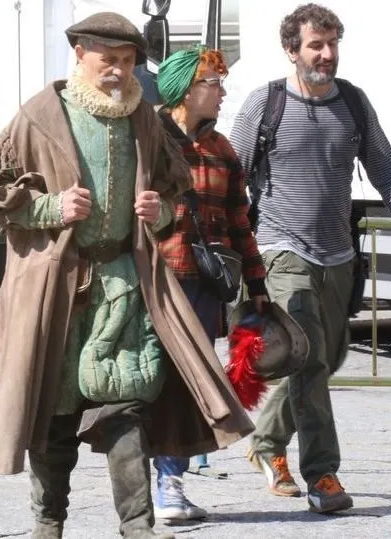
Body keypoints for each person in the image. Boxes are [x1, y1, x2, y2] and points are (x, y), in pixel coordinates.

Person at [0, 12, 254, 539]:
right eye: (109, 60)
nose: (119, 71)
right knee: (55, 416)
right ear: (79, 55)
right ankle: (47, 524)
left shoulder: (144, 119)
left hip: (124, 281)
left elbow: (174, 191)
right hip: (56, 289)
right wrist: (50, 208)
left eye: (127, 62)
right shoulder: (38, 115)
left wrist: (159, 211)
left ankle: (137, 527)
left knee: (126, 405)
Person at [229, 3, 391, 513]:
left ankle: (266, 444)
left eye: (332, 44)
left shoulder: (354, 104)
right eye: (316, 46)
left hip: (338, 257)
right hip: (282, 250)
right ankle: (323, 475)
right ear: (291, 51)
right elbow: (232, 178)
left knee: (320, 361)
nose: (327, 55)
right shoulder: (266, 103)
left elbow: (388, 172)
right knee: (309, 359)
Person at [151, 46, 267, 523]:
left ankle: (168, 482)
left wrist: (257, 283)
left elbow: (241, 222)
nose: (221, 93)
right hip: (152, 283)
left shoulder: (222, 149)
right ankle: (145, 482)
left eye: (220, 84)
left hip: (203, 287)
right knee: (148, 384)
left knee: (191, 386)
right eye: (212, 84)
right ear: (184, 90)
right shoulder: (148, 141)